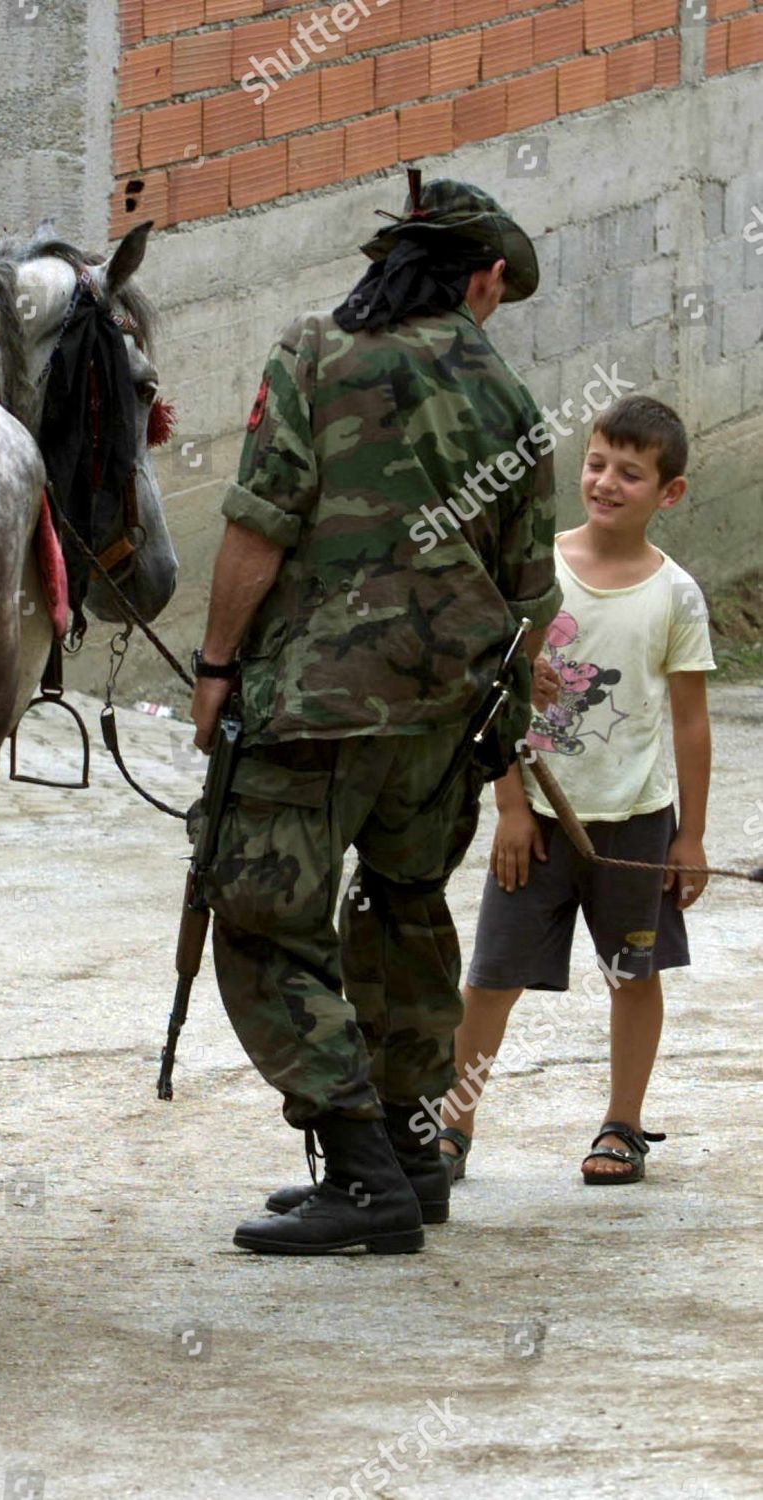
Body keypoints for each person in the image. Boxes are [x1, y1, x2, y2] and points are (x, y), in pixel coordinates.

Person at [189, 176, 561, 1255]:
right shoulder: (512, 401)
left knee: (261, 924)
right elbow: (532, 594)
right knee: (406, 915)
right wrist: (505, 728)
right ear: (481, 278)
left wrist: (217, 665)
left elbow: (260, 525)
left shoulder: (314, 353)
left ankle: (360, 1172)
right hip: (443, 721)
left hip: (315, 711)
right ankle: (412, 1157)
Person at [438, 395, 714, 1186]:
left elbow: (691, 725)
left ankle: (622, 1125)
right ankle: (453, 1130)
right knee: (490, 980)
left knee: (633, 975)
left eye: (631, 473)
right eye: (596, 464)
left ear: (669, 493)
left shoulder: (677, 595)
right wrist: (511, 807)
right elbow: (496, 696)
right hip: (540, 823)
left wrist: (689, 837)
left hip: (634, 825)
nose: (606, 483)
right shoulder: (539, 573)